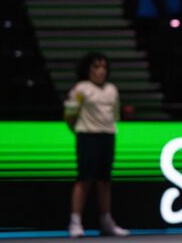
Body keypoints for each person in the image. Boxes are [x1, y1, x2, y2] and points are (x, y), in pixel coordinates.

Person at [64, 52, 129, 238]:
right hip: (87, 137)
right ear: (88, 69)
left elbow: (115, 115)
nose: (100, 71)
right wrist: (80, 130)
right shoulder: (81, 89)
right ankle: (75, 222)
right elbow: (69, 116)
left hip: (108, 137)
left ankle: (107, 223)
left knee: (105, 181)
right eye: (96, 67)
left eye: (104, 67)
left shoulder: (112, 89)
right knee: (84, 180)